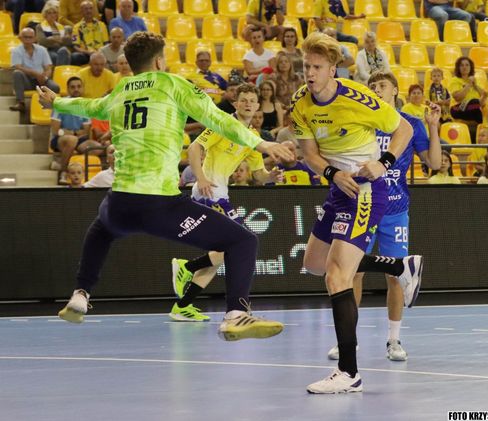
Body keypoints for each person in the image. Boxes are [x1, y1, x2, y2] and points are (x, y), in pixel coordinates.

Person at [37, 32, 293, 342]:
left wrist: (56, 101)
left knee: (102, 229)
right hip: (159, 204)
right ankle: (235, 314)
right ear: (159, 62)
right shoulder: (172, 85)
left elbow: (89, 106)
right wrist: (262, 143)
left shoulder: (120, 91)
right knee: (242, 241)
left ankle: (81, 292)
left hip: (120, 204)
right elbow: (219, 119)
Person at [290, 32, 421, 394]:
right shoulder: (300, 102)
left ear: (332, 69)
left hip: (365, 191)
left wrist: (384, 162)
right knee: (314, 264)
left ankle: (348, 373)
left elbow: (404, 128)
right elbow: (310, 154)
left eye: (317, 67)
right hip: (339, 187)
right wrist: (332, 173)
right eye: (306, 66)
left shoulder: (358, 98)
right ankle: (399, 267)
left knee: (337, 276)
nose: (309, 73)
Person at [327, 71, 442, 362]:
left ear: (395, 91)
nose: (376, 89)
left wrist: (433, 127)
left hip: (395, 210)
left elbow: (434, 163)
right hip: (363, 207)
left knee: (396, 276)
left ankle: (394, 340)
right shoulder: (362, 121)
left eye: (382, 85)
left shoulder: (410, 124)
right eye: (372, 86)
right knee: (352, 272)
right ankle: (347, 340)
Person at [166, 83, 283, 321]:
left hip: (221, 194)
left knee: (221, 254)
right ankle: (186, 268)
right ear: (235, 103)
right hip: (209, 192)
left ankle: (182, 306)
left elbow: (258, 175)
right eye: (244, 100)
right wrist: (201, 178)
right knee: (242, 242)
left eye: (252, 101)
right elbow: (195, 148)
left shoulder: (253, 137)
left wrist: (271, 177)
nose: (248, 104)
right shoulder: (222, 123)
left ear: (258, 107)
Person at [50, 76, 103, 184]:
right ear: (68, 89)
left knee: (99, 147)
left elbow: (86, 131)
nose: (76, 89)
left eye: (79, 86)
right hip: (60, 139)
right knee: (71, 140)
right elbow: (56, 130)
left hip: (80, 139)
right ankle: (63, 172)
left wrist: (70, 132)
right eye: (73, 87)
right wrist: (69, 133)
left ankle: (62, 163)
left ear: (83, 88)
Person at [9, 27, 60, 112]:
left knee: (55, 87)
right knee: (17, 73)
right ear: (21, 38)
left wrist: (45, 77)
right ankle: (21, 103)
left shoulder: (42, 49)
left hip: (41, 79)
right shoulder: (16, 50)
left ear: (35, 38)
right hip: (26, 80)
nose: (28, 39)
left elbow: (48, 68)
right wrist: (35, 74)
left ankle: (52, 108)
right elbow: (18, 67)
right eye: (25, 37)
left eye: (30, 37)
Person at [449, 57, 488, 139]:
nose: (464, 67)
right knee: (474, 102)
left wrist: (475, 86)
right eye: (462, 65)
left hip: (473, 110)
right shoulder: (455, 80)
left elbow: (484, 95)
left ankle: (481, 124)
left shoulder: (475, 80)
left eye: (467, 65)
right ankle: (481, 121)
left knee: (481, 107)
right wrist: (468, 85)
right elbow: (457, 97)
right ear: (458, 68)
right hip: (457, 108)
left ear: (471, 67)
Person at [72, 1, 109, 66]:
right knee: (75, 56)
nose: (89, 11)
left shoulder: (102, 25)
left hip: (101, 53)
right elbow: (75, 46)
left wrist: (100, 52)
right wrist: (88, 52)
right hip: (86, 54)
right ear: (81, 11)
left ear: (94, 10)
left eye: (91, 8)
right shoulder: (76, 27)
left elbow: (106, 43)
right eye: (86, 9)